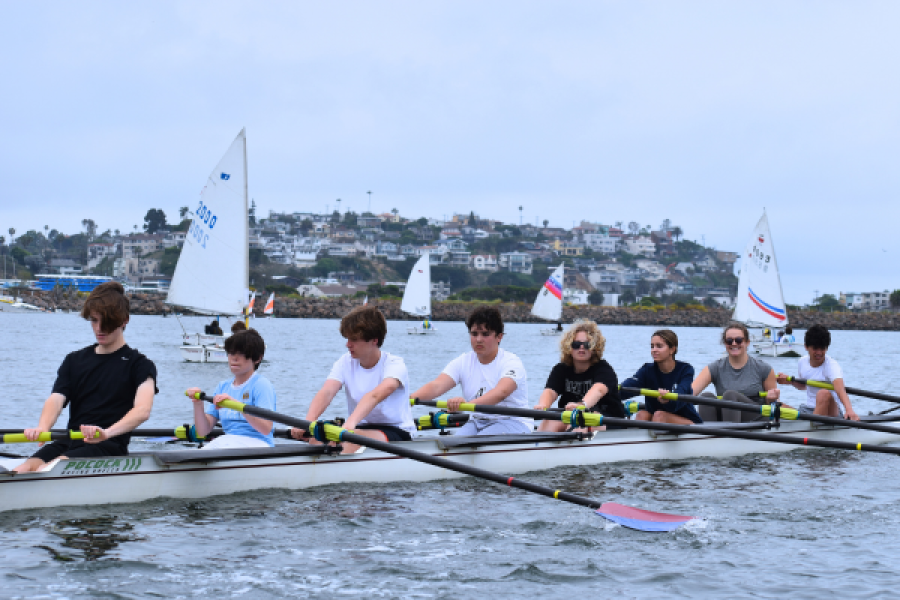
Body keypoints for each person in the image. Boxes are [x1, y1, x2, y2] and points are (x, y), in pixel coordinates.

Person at [14, 282, 157, 473]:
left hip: (108, 446)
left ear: (125, 320)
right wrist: (43, 427)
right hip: (70, 441)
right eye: (94, 320)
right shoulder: (74, 360)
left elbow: (143, 410)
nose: (99, 328)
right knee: (24, 468)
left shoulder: (140, 365)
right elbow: (57, 399)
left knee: (49, 469)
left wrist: (107, 433)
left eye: (107, 322)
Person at [290, 306, 415, 452]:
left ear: (374, 340)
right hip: (359, 428)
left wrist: (349, 425)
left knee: (349, 440)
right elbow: (327, 392)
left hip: (396, 430)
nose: (347, 344)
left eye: (354, 339)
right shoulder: (345, 362)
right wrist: (307, 422)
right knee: (316, 438)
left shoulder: (394, 364)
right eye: (347, 338)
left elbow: (375, 396)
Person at [412, 306, 531, 435]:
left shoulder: (511, 362)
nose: (479, 339)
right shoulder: (463, 361)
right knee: (453, 445)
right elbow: (436, 386)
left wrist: (466, 404)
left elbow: (501, 392)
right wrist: (409, 400)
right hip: (477, 421)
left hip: (513, 421)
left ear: (499, 337)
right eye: (474, 334)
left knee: (474, 444)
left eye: (485, 334)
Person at [186, 329, 276, 449]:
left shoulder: (262, 385)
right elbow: (203, 432)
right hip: (230, 441)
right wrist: (197, 403)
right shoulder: (223, 387)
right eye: (231, 353)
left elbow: (266, 428)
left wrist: (237, 405)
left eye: (241, 354)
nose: (234, 358)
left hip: (258, 444)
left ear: (257, 358)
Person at [535, 321, 624, 433]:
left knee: (578, 425)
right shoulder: (561, 369)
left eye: (587, 345)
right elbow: (550, 391)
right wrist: (543, 405)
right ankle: (539, 448)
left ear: (594, 348)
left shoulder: (604, 369)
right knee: (549, 421)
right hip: (574, 416)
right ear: (569, 346)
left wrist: (582, 405)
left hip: (608, 418)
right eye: (576, 344)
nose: (581, 348)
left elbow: (599, 390)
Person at [691, 322, 781, 422]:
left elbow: (774, 405)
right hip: (727, 416)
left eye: (739, 340)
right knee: (705, 397)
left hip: (756, 417)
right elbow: (690, 393)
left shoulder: (764, 368)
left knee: (730, 395)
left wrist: (770, 399)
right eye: (729, 341)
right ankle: (708, 436)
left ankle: (729, 435)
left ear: (747, 342)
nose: (734, 344)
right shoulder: (715, 367)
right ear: (725, 344)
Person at [776, 325, 859, 421]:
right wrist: (789, 381)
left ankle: (810, 428)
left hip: (832, 412)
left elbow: (840, 389)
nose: (819, 352)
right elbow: (803, 386)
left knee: (823, 393)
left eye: (822, 348)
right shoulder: (802, 362)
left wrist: (849, 410)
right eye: (815, 348)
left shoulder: (832, 366)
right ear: (806, 347)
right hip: (809, 409)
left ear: (827, 348)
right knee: (776, 405)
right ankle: (809, 424)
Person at [620, 329, 701, 425]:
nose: (654, 350)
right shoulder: (647, 370)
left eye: (659, 346)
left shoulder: (685, 370)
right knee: (642, 415)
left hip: (688, 421)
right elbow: (627, 388)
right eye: (652, 346)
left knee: (659, 415)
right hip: (658, 418)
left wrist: (668, 400)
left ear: (672, 349)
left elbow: (679, 398)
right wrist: (605, 393)